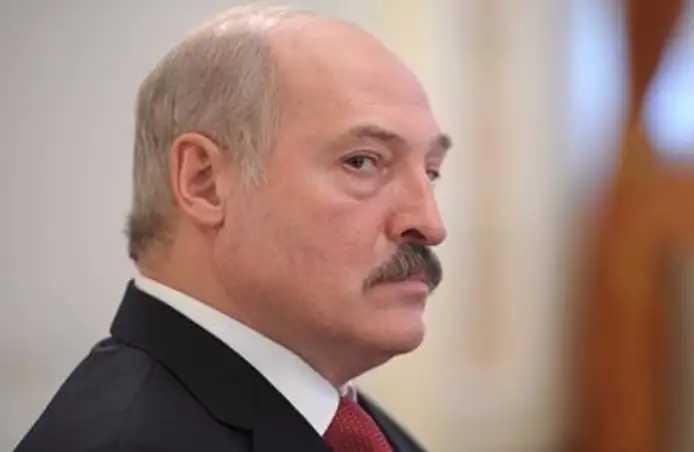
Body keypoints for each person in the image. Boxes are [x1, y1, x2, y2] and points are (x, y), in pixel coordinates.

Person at [15, 4, 451, 452]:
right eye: (361, 162)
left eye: (431, 172)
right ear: (203, 182)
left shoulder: (354, 428)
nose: (430, 225)